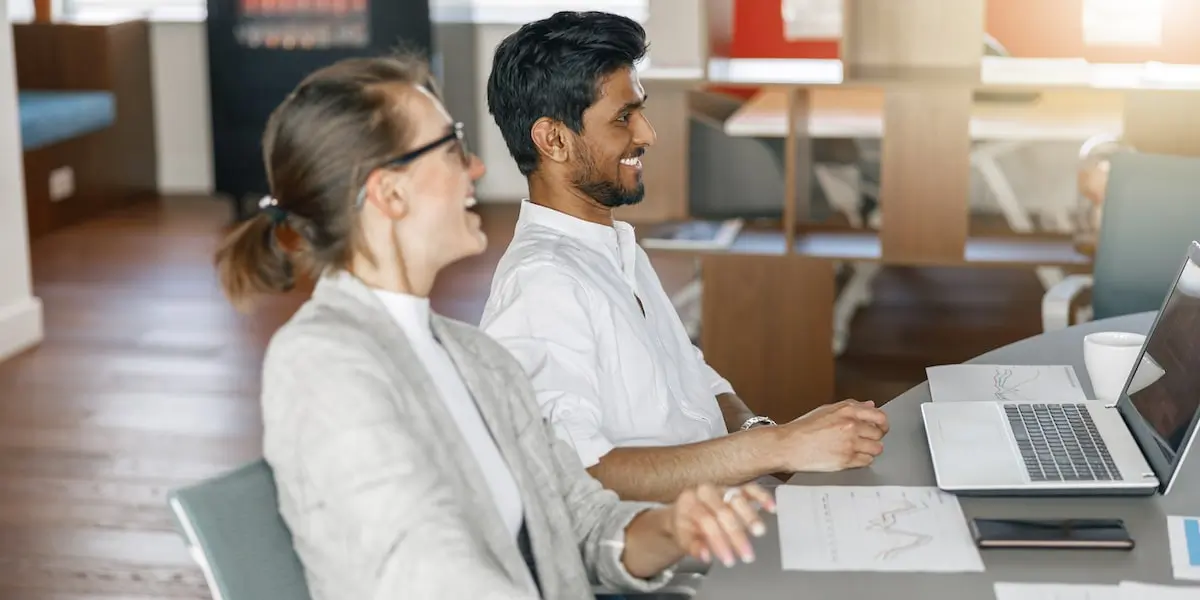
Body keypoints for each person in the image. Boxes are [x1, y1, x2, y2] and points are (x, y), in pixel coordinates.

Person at [213, 53, 774, 599]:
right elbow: (425, 574)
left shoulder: (473, 357)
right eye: (452, 147)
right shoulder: (322, 365)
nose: (477, 167)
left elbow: (576, 521)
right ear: (390, 192)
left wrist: (673, 528)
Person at [479, 11, 889, 503]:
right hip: (687, 549)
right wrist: (779, 448)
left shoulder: (616, 250)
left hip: (730, 504)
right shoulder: (542, 286)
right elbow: (575, 477)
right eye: (623, 118)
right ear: (553, 140)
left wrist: (766, 438)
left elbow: (696, 379)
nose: (648, 134)